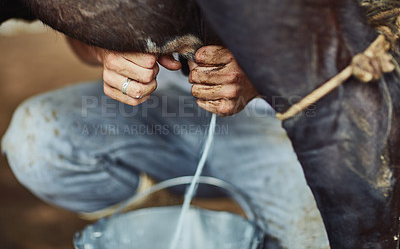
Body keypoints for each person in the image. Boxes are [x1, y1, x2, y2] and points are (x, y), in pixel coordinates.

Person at [2, 37, 328, 248]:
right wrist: (106, 47)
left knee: (322, 237)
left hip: (284, 122)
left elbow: (360, 29)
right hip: (166, 104)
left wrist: (264, 72)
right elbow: (77, 26)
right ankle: (161, 216)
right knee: (38, 140)